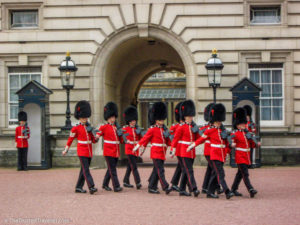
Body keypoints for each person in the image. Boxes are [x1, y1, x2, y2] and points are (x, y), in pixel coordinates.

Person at [187, 103, 234, 199]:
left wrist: (229, 148)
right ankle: (227, 191)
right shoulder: (209, 130)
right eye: (217, 122)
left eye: (220, 121)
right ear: (213, 121)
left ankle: (210, 191)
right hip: (214, 154)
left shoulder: (221, 131)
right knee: (220, 174)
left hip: (221, 155)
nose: (219, 123)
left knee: (215, 173)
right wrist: (192, 145)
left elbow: (226, 142)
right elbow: (201, 139)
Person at [133, 102, 173, 194]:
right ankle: (165, 187)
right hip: (156, 153)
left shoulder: (163, 129)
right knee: (160, 170)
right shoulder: (152, 129)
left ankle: (151, 186)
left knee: (156, 170)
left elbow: (167, 142)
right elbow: (145, 139)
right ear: (156, 119)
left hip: (162, 153)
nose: (162, 121)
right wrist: (138, 146)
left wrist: (173, 145)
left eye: (163, 119)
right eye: (160, 119)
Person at [62, 100, 98, 194]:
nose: (84, 119)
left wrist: (95, 136)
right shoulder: (76, 128)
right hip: (82, 151)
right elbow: (70, 139)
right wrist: (66, 149)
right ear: (79, 117)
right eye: (83, 117)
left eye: (85, 117)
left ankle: (78, 187)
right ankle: (91, 186)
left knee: (83, 170)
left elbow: (93, 141)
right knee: (86, 170)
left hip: (89, 151)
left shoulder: (89, 127)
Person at [170, 100, 201, 197]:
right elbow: (175, 139)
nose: (191, 118)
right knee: (189, 170)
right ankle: (194, 188)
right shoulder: (181, 127)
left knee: (185, 171)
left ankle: (182, 189)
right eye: (189, 116)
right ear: (185, 117)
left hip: (191, 151)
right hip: (184, 151)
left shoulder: (193, 127)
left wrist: (197, 134)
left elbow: (198, 139)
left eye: (191, 116)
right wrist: (172, 150)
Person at [230, 107, 260, 198]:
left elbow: (251, 144)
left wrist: (256, 144)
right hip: (240, 156)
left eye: (244, 123)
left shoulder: (247, 133)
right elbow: (230, 140)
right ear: (237, 125)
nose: (244, 125)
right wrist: (232, 144)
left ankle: (233, 189)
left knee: (240, 174)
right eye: (242, 123)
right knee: (245, 173)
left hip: (246, 156)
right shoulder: (234, 133)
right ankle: (250, 189)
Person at [96, 102, 123, 192]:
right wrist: (96, 137)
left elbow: (120, 140)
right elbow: (98, 134)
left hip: (115, 151)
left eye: (114, 117)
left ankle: (105, 184)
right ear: (107, 118)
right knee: (113, 169)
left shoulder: (116, 127)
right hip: (108, 151)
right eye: (111, 117)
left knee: (110, 169)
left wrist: (123, 136)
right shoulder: (104, 127)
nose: (112, 119)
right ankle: (116, 186)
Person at [122, 106, 142, 189]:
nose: (133, 122)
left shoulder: (137, 129)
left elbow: (141, 139)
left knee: (130, 166)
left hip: (135, 149)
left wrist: (140, 133)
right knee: (134, 166)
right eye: (132, 120)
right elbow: (123, 138)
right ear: (129, 121)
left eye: (134, 120)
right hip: (129, 149)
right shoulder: (125, 129)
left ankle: (125, 181)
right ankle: (138, 182)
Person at [169, 102, 184, 192]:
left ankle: (174, 183)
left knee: (180, 167)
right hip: (178, 149)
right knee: (184, 168)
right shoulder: (175, 126)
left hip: (184, 149)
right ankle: (189, 186)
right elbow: (171, 137)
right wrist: (172, 149)